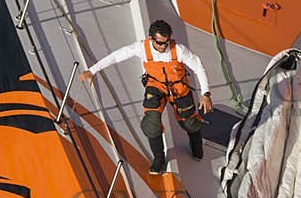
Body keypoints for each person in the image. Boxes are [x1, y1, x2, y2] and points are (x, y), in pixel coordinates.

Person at [80, 20, 213, 175]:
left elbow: (198, 67)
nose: (163, 46)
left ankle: (197, 146)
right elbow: (117, 56)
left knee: (189, 122)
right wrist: (92, 70)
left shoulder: (179, 50)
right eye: (160, 43)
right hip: (156, 87)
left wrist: (205, 94)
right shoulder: (141, 48)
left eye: (166, 42)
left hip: (178, 88)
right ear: (151, 39)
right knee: (151, 123)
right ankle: (159, 159)